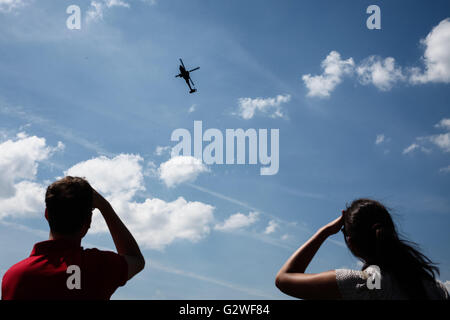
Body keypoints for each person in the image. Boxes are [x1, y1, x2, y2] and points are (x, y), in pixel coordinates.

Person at [1, 176, 145, 300]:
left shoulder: (14, 277)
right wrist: (105, 207)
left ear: (47, 214)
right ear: (88, 222)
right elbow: (135, 259)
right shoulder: (98, 266)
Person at [275, 198, 449, 300]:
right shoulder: (436, 288)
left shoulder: (361, 284)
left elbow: (283, 279)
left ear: (351, 241)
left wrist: (324, 232)